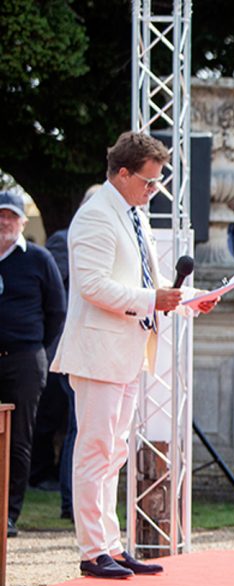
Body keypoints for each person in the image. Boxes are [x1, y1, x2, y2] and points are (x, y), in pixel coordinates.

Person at [50, 131, 218, 578]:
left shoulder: (133, 214)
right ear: (122, 173)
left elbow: (151, 281)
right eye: (148, 181)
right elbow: (93, 286)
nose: (154, 190)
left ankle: (110, 545)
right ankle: (93, 551)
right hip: (98, 351)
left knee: (114, 452)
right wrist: (152, 300)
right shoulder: (96, 215)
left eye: (157, 182)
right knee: (96, 450)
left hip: (125, 349)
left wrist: (191, 299)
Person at [30, 183, 100, 521]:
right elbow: (54, 291)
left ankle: (77, 499)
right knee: (73, 426)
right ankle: (70, 501)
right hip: (68, 345)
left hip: (98, 348)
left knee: (82, 426)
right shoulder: (64, 239)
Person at [0, 190, 66, 537]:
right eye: (0, 215)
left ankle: (7, 515)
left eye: (11, 216)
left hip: (24, 359)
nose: (4, 222)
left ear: (23, 222)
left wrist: (32, 345)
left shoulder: (39, 259)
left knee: (18, 439)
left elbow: (57, 311)